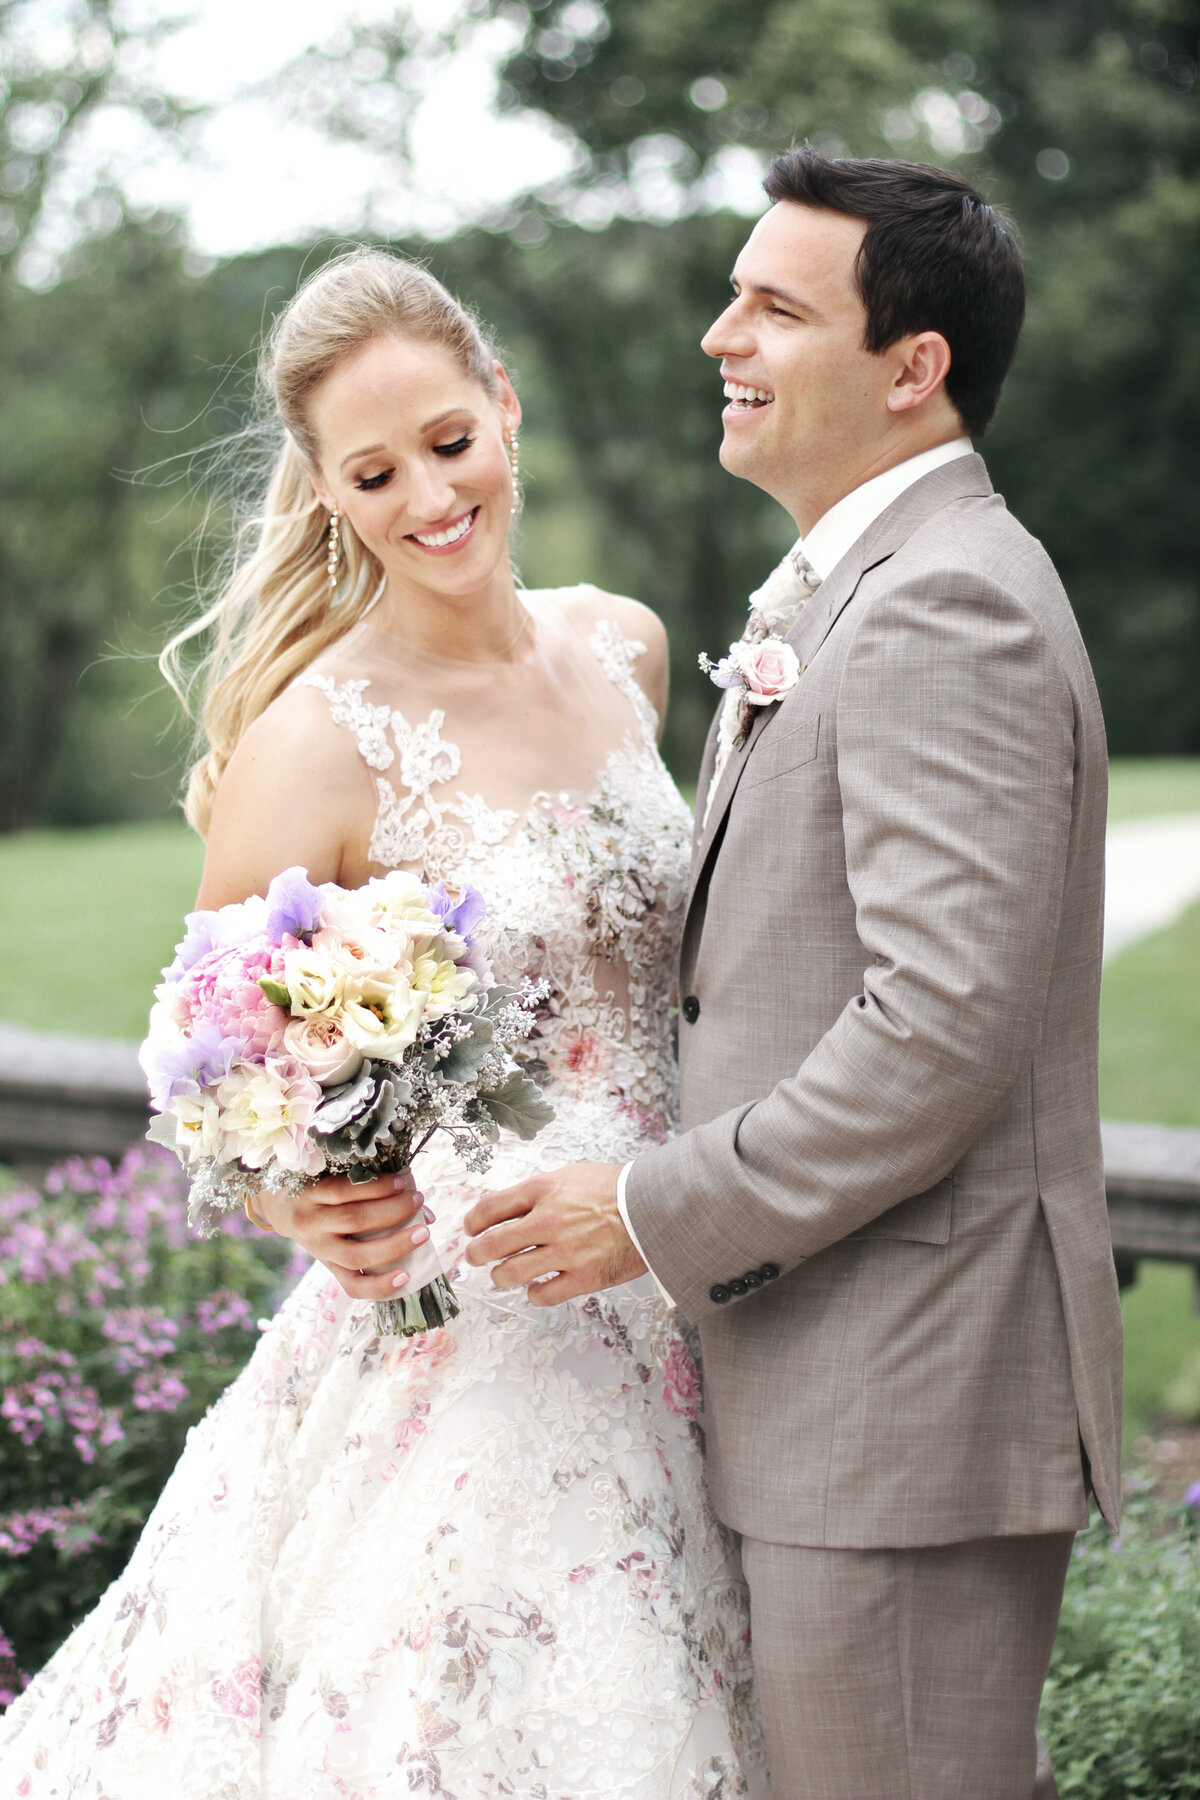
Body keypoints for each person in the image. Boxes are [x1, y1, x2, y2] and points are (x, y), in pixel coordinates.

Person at [0, 249, 767, 1798]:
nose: (429, 493)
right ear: (328, 491)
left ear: (504, 406)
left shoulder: (617, 646)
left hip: (688, 1267)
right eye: (375, 470)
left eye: (448, 441)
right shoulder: (318, 742)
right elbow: (212, 1050)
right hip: (477, 1328)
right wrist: (303, 1198)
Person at [465, 150, 1124, 1800]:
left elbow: (937, 1027)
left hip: (902, 1401)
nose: (718, 336)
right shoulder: (871, 582)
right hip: (835, 1383)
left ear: (914, 370)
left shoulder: (945, 605)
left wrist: (648, 1208)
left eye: (773, 305)